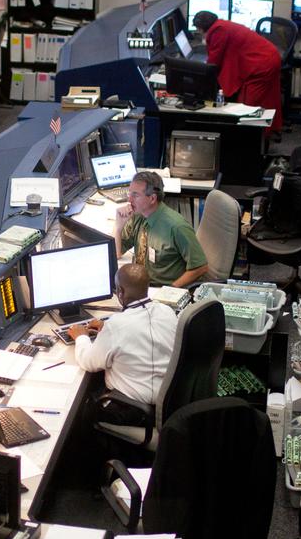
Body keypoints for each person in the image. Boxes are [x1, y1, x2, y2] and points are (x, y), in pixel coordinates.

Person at [65, 263, 178, 407]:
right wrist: (106, 329)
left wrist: (81, 336)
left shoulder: (116, 326)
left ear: (120, 292)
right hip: (170, 399)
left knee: (84, 406)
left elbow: (88, 362)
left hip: (133, 408)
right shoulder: (167, 311)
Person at [192, 10, 284, 134]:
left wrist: (196, 75)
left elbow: (213, 63)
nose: (198, 32)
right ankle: (263, 136)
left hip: (261, 64)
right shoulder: (221, 25)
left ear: (201, 27)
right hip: (268, 57)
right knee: (266, 100)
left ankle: (248, 139)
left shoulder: (218, 31)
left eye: (198, 29)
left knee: (248, 106)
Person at [114, 171, 208, 287]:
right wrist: (118, 227)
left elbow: (201, 267)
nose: (129, 200)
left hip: (160, 289)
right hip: (140, 284)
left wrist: (169, 290)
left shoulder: (177, 227)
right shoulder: (137, 216)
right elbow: (117, 253)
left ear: (152, 199)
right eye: (129, 194)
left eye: (135, 195)